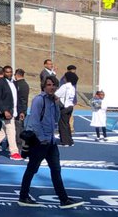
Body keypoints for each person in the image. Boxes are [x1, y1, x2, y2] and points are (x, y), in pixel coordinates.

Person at [17, 75, 83, 208]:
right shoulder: (38, 100)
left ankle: (63, 199)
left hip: (51, 142)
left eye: (54, 85)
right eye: (49, 85)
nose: (52, 87)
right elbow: (35, 121)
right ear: (44, 86)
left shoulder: (53, 101)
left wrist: (57, 103)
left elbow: (57, 118)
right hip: (40, 142)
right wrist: (42, 139)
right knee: (32, 169)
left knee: (56, 170)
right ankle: (23, 196)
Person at [55, 70, 78, 146]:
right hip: (70, 106)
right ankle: (70, 140)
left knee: (62, 124)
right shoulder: (72, 87)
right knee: (67, 124)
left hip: (65, 107)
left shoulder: (65, 86)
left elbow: (57, 94)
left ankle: (64, 141)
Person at [13, 69, 31, 151]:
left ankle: (19, 146)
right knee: (20, 128)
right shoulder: (26, 84)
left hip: (18, 110)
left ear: (17, 75)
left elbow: (20, 100)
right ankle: (23, 144)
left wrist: (21, 111)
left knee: (18, 128)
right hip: (23, 109)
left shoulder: (17, 85)